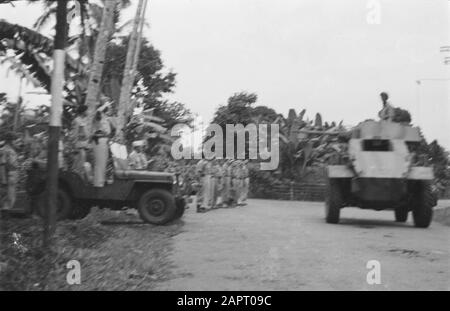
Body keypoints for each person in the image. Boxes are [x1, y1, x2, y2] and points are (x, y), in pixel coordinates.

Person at [91, 102, 113, 187]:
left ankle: (101, 182)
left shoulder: (105, 118)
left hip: (105, 141)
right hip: (99, 140)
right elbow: (98, 111)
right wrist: (105, 104)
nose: (110, 109)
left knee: (103, 163)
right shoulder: (98, 117)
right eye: (109, 108)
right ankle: (98, 183)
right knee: (99, 163)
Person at [0, 132, 18, 211]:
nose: (15, 142)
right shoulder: (4, 150)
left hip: (13, 174)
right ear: (9, 140)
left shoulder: (12, 149)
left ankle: (7, 212)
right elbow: (2, 165)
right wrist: (3, 178)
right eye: (14, 140)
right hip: (8, 174)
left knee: (12, 195)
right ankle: (5, 214)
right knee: (8, 196)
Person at [70, 105, 90, 178]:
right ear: (83, 111)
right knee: (78, 167)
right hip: (79, 147)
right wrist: (74, 146)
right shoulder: (77, 120)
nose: (88, 112)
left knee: (81, 167)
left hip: (84, 146)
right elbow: (74, 134)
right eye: (87, 110)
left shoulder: (84, 120)